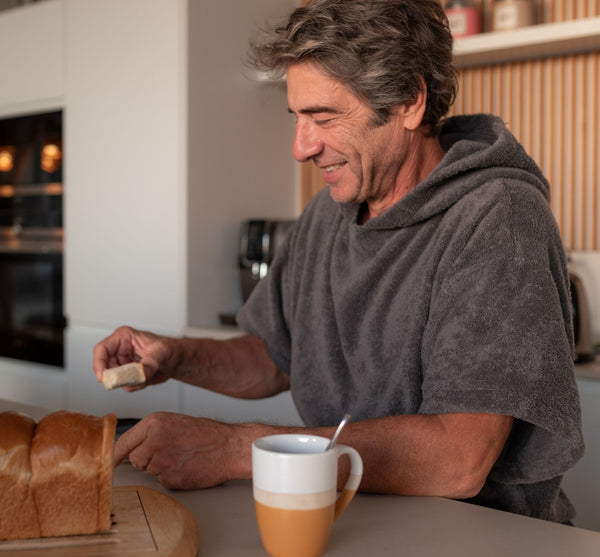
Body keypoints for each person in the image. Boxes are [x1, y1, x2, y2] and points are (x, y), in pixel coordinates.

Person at [93, 0, 584, 523]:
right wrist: (172, 357)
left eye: (322, 117)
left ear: (409, 102)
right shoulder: (328, 216)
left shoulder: (496, 217)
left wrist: (236, 449)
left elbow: (457, 459)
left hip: (482, 549)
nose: (300, 147)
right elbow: (275, 355)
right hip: (353, 525)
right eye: (297, 117)